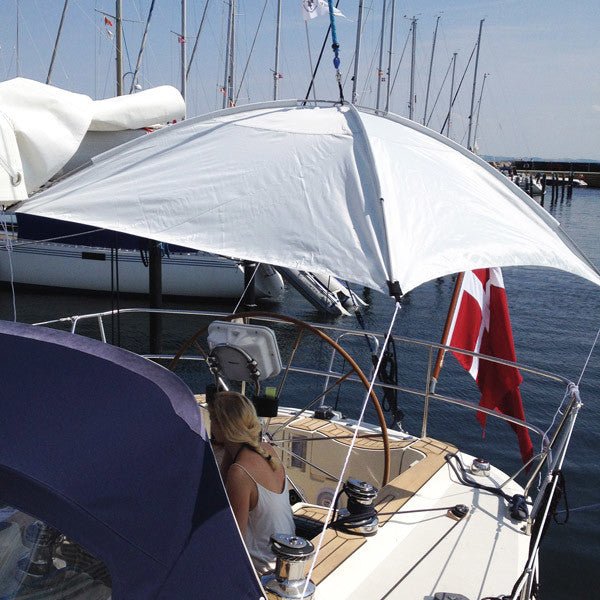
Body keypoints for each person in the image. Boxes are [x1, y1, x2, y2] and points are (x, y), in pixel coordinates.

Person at [207, 391, 295, 574]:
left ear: (223, 426)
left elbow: (235, 540)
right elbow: (221, 486)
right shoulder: (268, 450)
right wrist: (228, 448)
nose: (210, 426)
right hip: (285, 556)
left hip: (263, 567)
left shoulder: (239, 473)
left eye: (212, 420)